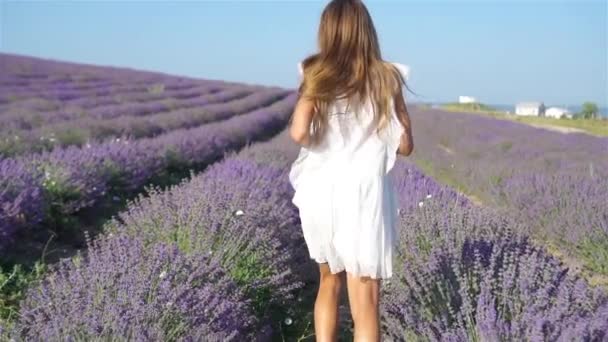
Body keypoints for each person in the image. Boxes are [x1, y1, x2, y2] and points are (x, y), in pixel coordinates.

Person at [287, 0, 414, 340]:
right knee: (366, 300)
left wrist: (325, 138)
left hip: (321, 189)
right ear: (366, 30)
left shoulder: (315, 71)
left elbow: (299, 132)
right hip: (365, 196)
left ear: (326, 30)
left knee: (328, 281)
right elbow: (404, 145)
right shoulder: (387, 77)